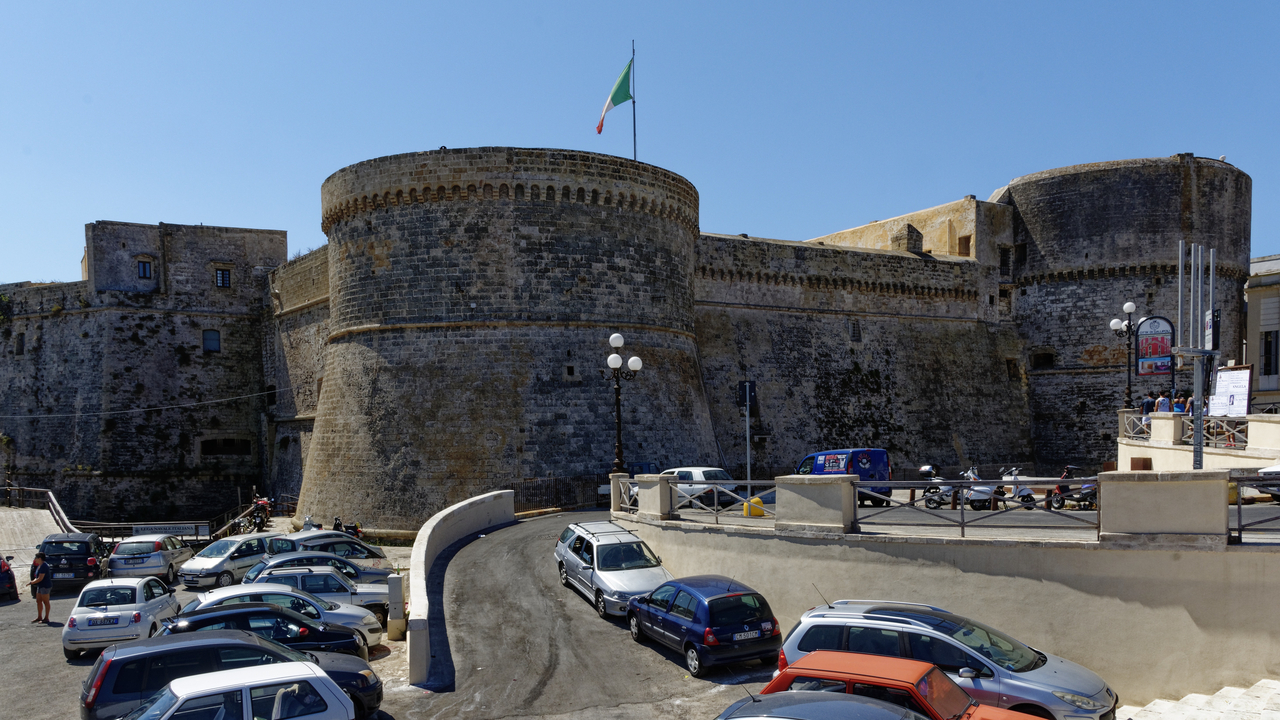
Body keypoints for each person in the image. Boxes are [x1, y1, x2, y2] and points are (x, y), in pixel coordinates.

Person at [30, 552, 52, 623]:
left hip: (45, 586)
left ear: (39, 558)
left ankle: (46, 618)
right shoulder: (40, 565)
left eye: (36, 558)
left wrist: (32, 582)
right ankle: (39, 617)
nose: (35, 560)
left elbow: (40, 578)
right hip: (40, 585)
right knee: (38, 601)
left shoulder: (44, 566)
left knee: (46, 602)